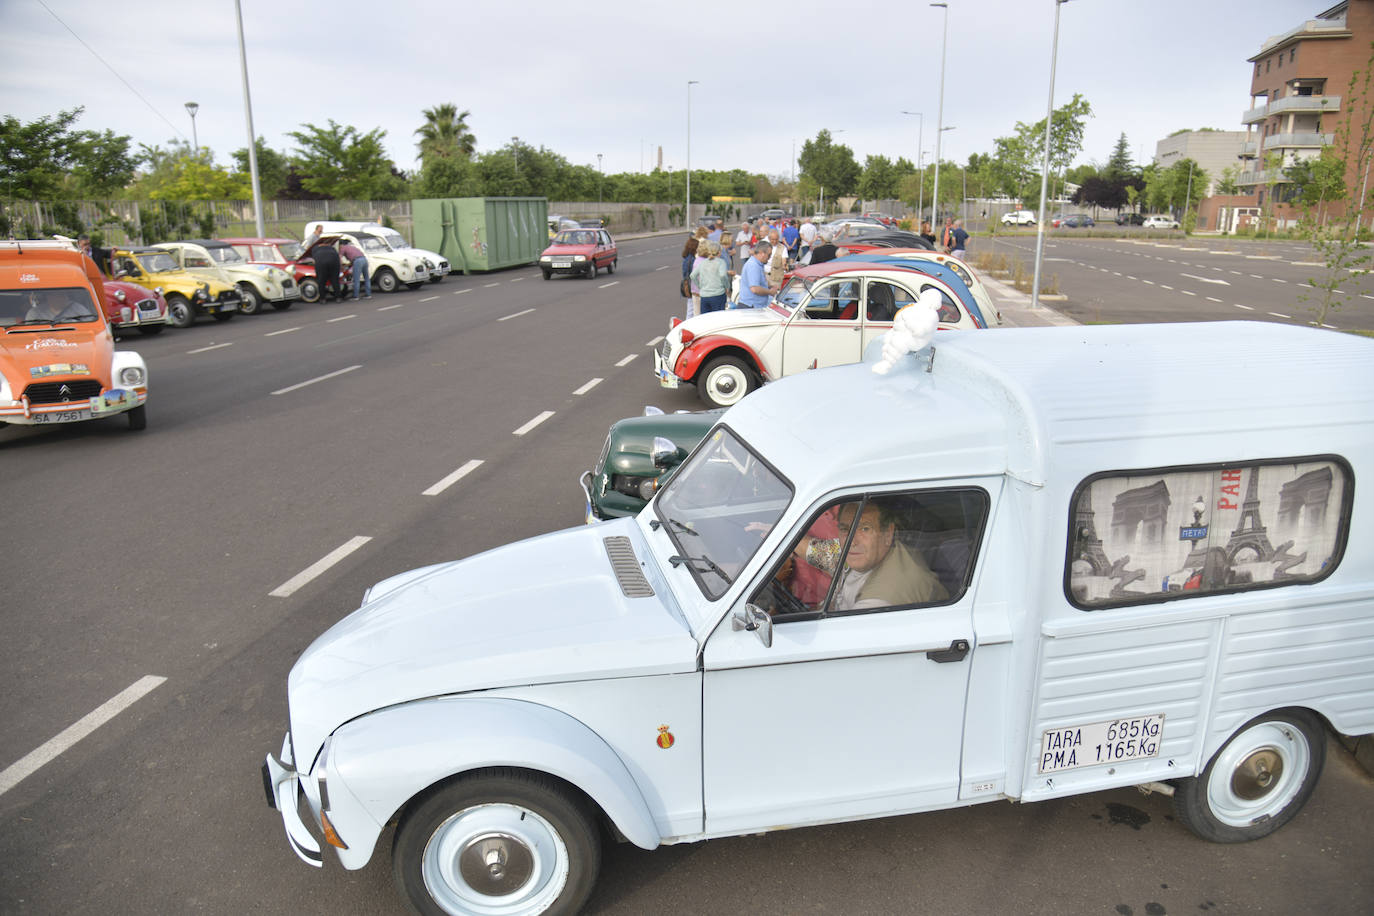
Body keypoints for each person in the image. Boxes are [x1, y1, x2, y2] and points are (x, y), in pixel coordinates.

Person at [797, 500, 948, 611]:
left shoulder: (880, 599)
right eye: (845, 529)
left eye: (865, 529)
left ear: (888, 533)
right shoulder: (874, 552)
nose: (852, 541)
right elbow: (820, 552)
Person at [691, 240, 731, 313]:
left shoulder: (703, 262)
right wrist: (727, 286)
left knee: (706, 317)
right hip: (718, 294)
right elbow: (722, 275)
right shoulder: (721, 262)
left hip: (704, 295)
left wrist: (700, 286)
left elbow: (693, 275)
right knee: (718, 316)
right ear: (719, 252)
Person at [736, 241, 776, 308]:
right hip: (750, 306)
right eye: (769, 255)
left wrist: (768, 286)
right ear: (762, 253)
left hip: (752, 305)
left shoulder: (757, 264)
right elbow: (755, 289)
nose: (769, 258)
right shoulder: (753, 265)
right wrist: (770, 292)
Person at [25, 288, 92, 323]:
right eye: (59, 295)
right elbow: (30, 333)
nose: (64, 297)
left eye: (65, 294)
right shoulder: (35, 313)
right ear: (49, 297)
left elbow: (90, 325)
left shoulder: (78, 308)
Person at [681, 237, 700, 317]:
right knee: (692, 309)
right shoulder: (691, 259)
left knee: (690, 308)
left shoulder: (687, 258)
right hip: (692, 286)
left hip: (688, 285)